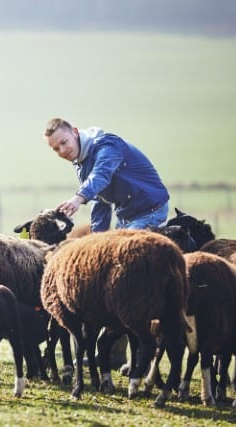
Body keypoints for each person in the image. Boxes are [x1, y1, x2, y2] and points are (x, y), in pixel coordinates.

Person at [45, 117, 170, 372]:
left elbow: (101, 176)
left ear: (76, 133)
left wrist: (79, 198)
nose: (62, 151)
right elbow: (101, 202)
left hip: (149, 210)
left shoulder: (107, 145)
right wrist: (96, 242)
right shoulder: (80, 163)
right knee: (111, 272)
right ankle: (115, 355)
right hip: (127, 215)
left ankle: (144, 355)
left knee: (126, 274)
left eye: (64, 142)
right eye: (56, 148)